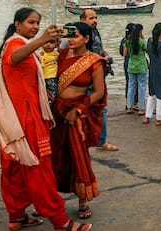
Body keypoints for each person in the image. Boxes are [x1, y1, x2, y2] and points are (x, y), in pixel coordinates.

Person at [0, 7, 91, 231]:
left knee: (16, 169)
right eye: (30, 22)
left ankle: (16, 216)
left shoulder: (23, 45)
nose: (35, 26)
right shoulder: (14, 44)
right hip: (25, 119)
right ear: (17, 24)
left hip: (18, 116)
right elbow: (13, 58)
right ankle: (60, 221)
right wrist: (41, 40)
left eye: (38, 22)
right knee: (40, 171)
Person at [51, 21, 106, 220]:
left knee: (77, 155)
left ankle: (82, 200)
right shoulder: (60, 56)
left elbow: (99, 93)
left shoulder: (94, 61)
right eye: (69, 36)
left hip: (77, 113)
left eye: (75, 36)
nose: (71, 40)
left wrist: (79, 109)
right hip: (57, 112)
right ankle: (48, 201)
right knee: (54, 156)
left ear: (86, 38)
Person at [79, 8, 117, 152]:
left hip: (98, 77)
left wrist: (104, 55)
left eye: (95, 18)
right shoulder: (78, 35)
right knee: (82, 109)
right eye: (91, 18)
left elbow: (99, 49)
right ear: (82, 20)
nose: (95, 20)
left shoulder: (95, 32)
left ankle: (100, 141)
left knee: (101, 109)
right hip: (84, 78)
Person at [145, 22, 161, 126]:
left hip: (152, 69)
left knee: (152, 93)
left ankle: (147, 116)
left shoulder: (149, 41)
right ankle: (158, 119)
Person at [124, 24, 148, 116]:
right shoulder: (141, 42)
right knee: (141, 87)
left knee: (131, 86)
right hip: (141, 66)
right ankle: (141, 108)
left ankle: (129, 107)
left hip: (131, 66)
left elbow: (125, 54)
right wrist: (143, 38)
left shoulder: (128, 41)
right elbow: (147, 50)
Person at [119, 22, 138, 110]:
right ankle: (135, 102)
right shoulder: (135, 40)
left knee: (129, 82)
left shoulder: (124, 40)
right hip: (135, 62)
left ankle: (128, 102)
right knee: (137, 83)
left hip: (126, 62)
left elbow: (121, 52)